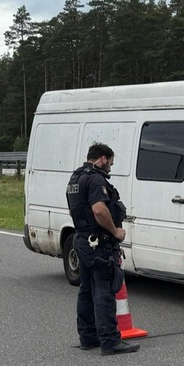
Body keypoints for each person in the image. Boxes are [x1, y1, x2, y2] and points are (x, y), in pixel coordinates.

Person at [66, 143, 139, 355]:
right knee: (104, 291)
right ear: (103, 158)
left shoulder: (75, 178)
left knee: (86, 290)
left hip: (82, 239)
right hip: (98, 243)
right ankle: (109, 341)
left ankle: (88, 337)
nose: (110, 168)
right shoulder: (96, 179)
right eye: (111, 163)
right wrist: (115, 231)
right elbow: (99, 210)